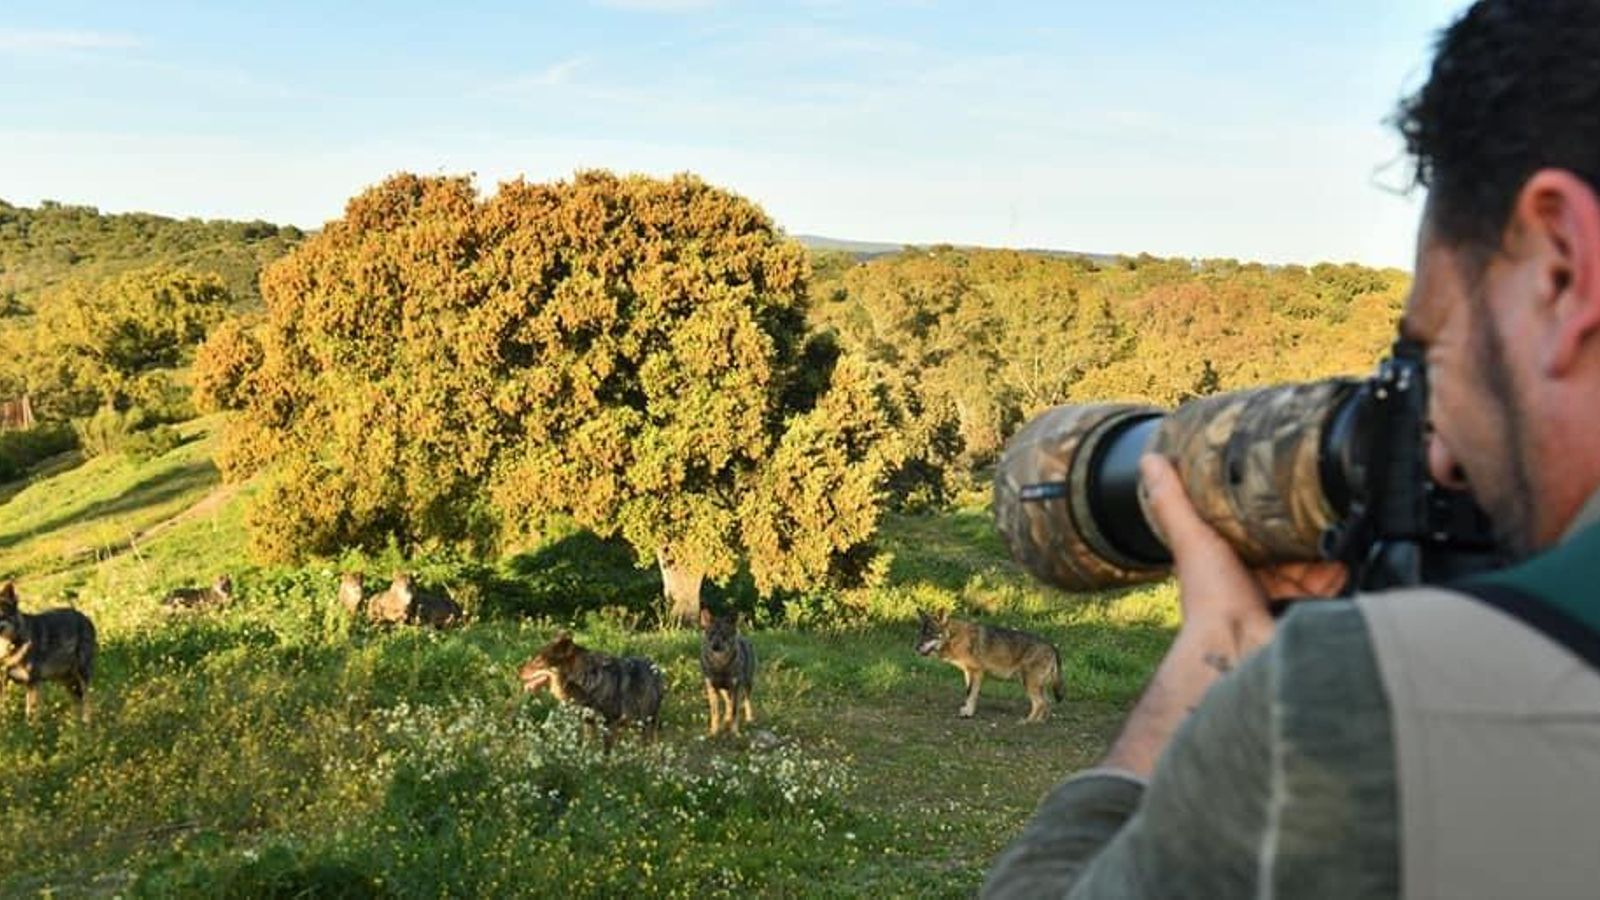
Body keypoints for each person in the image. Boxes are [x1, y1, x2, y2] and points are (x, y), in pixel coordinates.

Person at [982, 1, 1600, 897]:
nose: (1439, 458)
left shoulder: (1366, 706)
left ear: (1563, 267)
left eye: (1436, 349)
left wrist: (1213, 664)